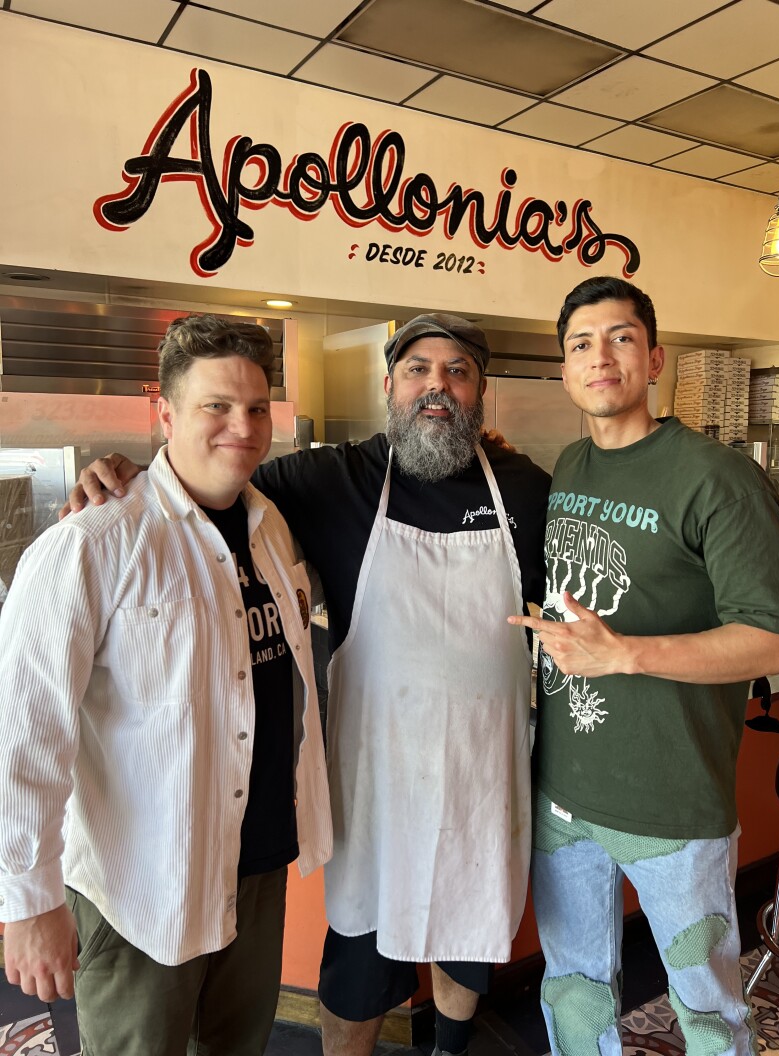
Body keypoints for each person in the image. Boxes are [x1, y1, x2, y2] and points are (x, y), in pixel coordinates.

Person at [66, 313, 551, 1056]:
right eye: (419, 369)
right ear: (390, 386)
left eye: (457, 371)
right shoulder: (337, 478)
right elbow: (211, 476)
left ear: (480, 393)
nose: (437, 385)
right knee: (357, 972)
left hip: (481, 782)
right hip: (374, 788)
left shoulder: (524, 488)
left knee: (467, 941)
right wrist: (129, 470)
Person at [0, 315, 332, 1056]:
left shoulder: (271, 525)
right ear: (167, 414)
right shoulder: (91, 543)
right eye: (216, 405)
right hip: (140, 883)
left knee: (236, 1047)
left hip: (256, 864)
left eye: (255, 408)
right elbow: (24, 733)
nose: (240, 427)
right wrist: (26, 903)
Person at [509, 276, 779, 1056]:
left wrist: (626, 654)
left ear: (655, 357)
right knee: (571, 991)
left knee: (707, 1012)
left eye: (620, 337)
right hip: (564, 796)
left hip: (674, 805)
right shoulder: (567, 466)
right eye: (580, 344)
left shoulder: (716, 477)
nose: (600, 357)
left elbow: (778, 637)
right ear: (565, 372)